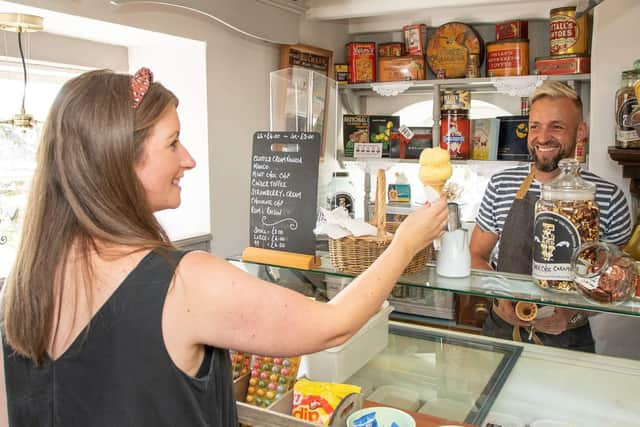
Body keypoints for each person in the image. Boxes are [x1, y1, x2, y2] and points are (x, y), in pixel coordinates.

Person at [0, 68, 448, 426]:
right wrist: (406, 241)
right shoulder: (182, 282)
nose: (189, 159)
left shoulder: (23, 290)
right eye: (172, 143)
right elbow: (334, 324)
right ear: (119, 161)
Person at [469, 80, 631, 351]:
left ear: (580, 132)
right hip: (502, 332)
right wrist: (500, 296)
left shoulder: (607, 195)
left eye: (556, 126)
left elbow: (616, 281)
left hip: (569, 340)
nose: (543, 137)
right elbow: (476, 255)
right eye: (535, 126)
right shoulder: (501, 185)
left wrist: (571, 315)